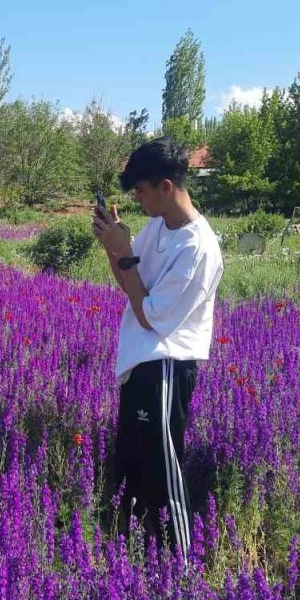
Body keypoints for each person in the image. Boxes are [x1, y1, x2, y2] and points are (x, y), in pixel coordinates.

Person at [91, 137, 224, 558]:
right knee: (130, 468)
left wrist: (124, 254)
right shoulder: (157, 228)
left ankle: (181, 568)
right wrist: (114, 249)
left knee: (162, 472)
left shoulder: (197, 248)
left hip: (166, 367)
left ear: (166, 186)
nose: (138, 199)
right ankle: (131, 560)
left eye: (141, 191)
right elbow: (131, 286)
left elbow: (151, 315)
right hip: (139, 363)